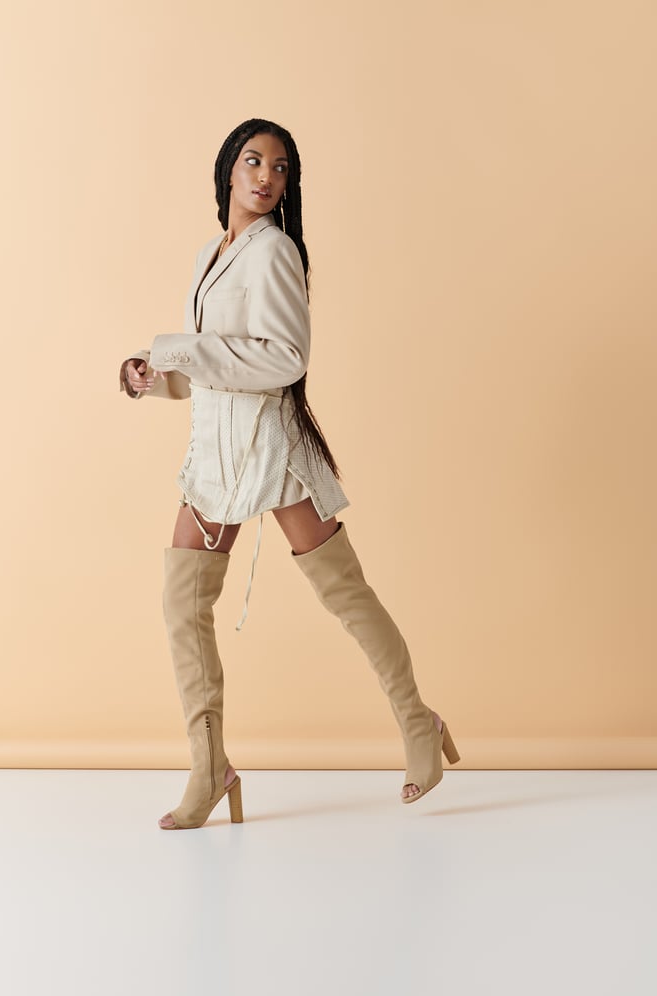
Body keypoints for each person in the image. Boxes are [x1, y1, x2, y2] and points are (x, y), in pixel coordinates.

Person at [120, 118, 460, 829]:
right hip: (215, 450)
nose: (266, 176)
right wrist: (156, 376)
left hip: (267, 446)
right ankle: (209, 768)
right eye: (253, 161)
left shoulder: (275, 250)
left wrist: (180, 348)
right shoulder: (212, 253)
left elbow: (285, 360)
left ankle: (417, 721)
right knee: (184, 601)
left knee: (344, 592)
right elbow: (214, 364)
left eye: (280, 167)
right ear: (228, 168)